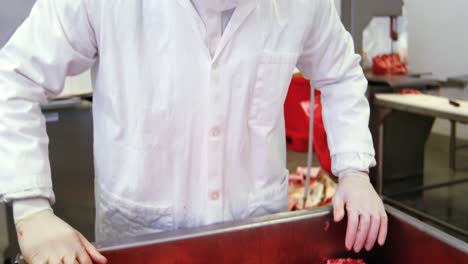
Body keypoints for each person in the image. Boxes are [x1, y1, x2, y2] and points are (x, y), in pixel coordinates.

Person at [0, 0, 387, 263]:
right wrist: (31, 210)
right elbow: (15, 77)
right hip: (142, 235)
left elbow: (340, 73)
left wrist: (354, 170)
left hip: (253, 230)